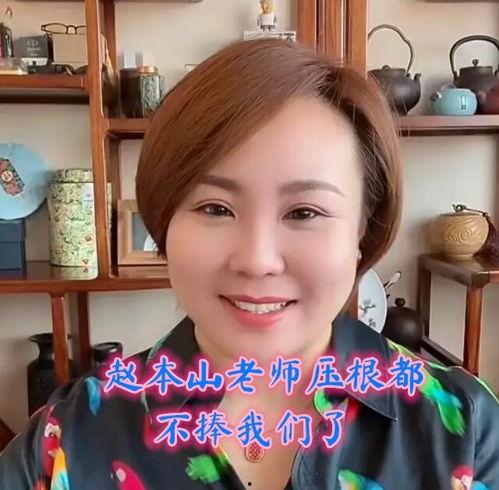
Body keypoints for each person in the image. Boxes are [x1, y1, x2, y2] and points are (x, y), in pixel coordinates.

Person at [1, 38, 498, 490]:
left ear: (362, 231)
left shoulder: (465, 429)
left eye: (305, 212)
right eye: (215, 208)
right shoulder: (68, 440)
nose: (257, 261)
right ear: (164, 221)